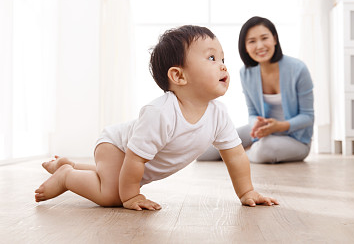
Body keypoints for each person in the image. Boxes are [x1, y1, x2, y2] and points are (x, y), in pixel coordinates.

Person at [35, 25, 279, 210]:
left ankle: (71, 165)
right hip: (117, 147)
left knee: (117, 177)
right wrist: (130, 195)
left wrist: (247, 191)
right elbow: (133, 159)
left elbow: (235, 155)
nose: (223, 66)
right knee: (112, 195)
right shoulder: (160, 113)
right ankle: (66, 177)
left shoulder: (219, 114)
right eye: (212, 58)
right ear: (179, 76)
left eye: (223, 59)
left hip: (135, 160)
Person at [198, 16, 314, 163]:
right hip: (263, 132)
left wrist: (278, 127)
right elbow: (252, 113)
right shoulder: (246, 73)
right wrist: (256, 125)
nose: (259, 46)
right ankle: (241, 152)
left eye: (264, 38)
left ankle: (240, 154)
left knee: (264, 149)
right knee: (204, 151)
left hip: (296, 140)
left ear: (274, 39)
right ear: (245, 47)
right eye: (252, 41)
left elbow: (308, 117)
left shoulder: (298, 69)